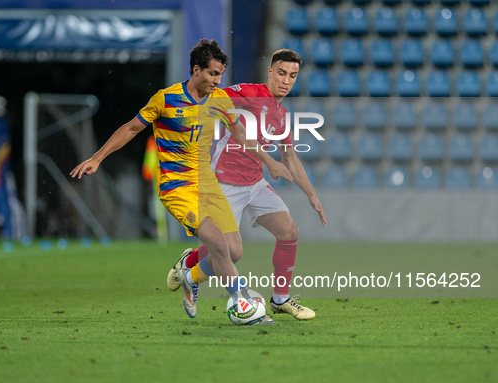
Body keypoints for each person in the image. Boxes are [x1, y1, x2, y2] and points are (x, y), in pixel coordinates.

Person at [70, 39, 292, 324]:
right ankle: (242, 303)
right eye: (213, 73)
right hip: (177, 186)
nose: (217, 80)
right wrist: (97, 158)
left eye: (221, 75)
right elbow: (130, 128)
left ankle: (190, 276)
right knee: (217, 242)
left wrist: (270, 161)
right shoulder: (165, 99)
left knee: (234, 251)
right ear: (196, 70)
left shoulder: (219, 100)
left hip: (208, 183)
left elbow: (239, 133)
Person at [167, 49, 326, 321]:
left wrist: (311, 194)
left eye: (293, 76)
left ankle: (280, 299)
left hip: (254, 183)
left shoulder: (282, 114)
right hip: (224, 183)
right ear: (270, 72)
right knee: (231, 252)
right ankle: (190, 271)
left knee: (289, 232)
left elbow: (289, 156)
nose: (286, 80)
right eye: (282, 73)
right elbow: (213, 95)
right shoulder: (247, 92)